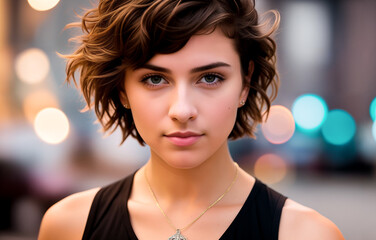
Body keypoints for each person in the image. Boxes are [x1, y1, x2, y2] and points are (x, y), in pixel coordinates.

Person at [38, 0, 345, 239]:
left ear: (245, 83)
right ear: (122, 90)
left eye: (210, 78)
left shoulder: (305, 234)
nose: (182, 110)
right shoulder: (69, 227)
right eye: (155, 79)